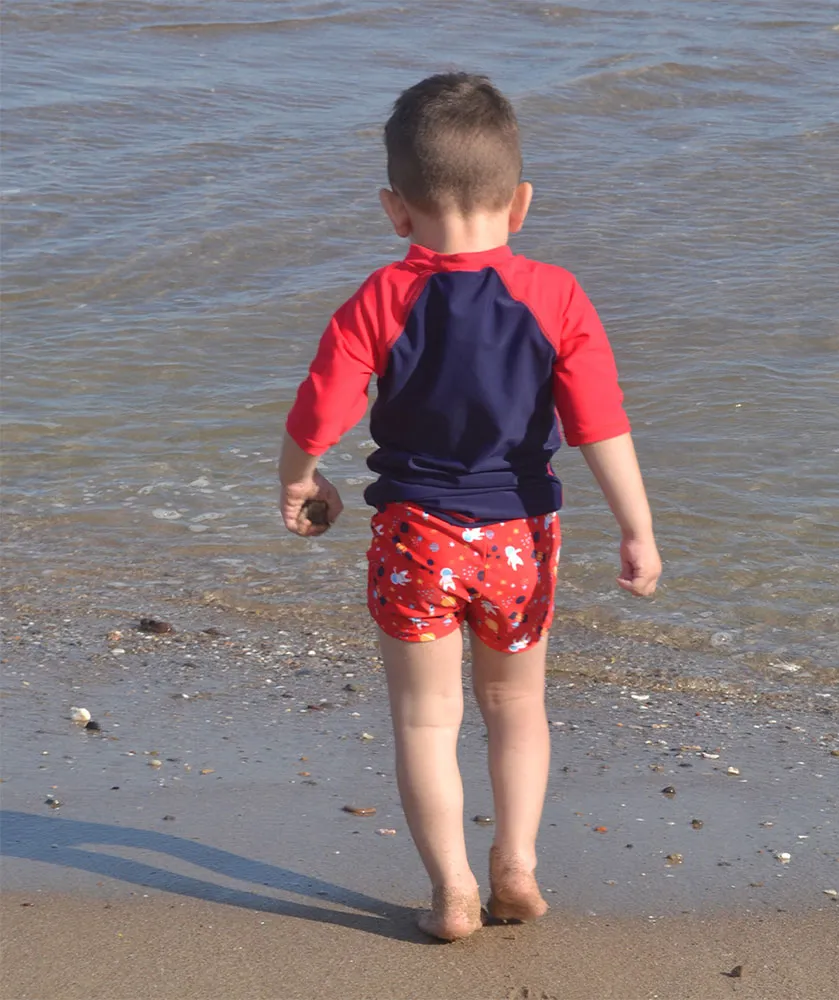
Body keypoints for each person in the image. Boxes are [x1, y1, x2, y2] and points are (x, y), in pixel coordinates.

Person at [278, 72, 661, 941]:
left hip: (416, 536)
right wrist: (637, 530)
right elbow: (599, 424)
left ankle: (453, 890)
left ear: (395, 209)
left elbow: (320, 409)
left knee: (426, 719)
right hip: (520, 536)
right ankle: (515, 863)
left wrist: (299, 479)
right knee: (515, 708)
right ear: (521, 202)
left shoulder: (381, 298)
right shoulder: (556, 295)